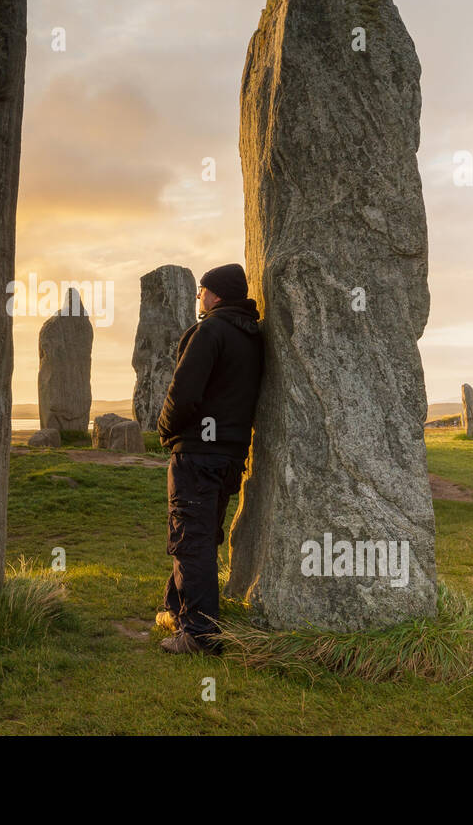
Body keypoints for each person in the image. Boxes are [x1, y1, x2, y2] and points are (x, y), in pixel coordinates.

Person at [155, 263, 263, 655]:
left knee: (190, 538)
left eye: (201, 291)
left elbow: (183, 393)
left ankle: (199, 634)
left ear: (215, 294)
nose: (198, 296)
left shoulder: (210, 331)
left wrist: (166, 429)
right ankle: (175, 609)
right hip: (230, 454)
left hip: (198, 452)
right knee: (200, 533)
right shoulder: (251, 337)